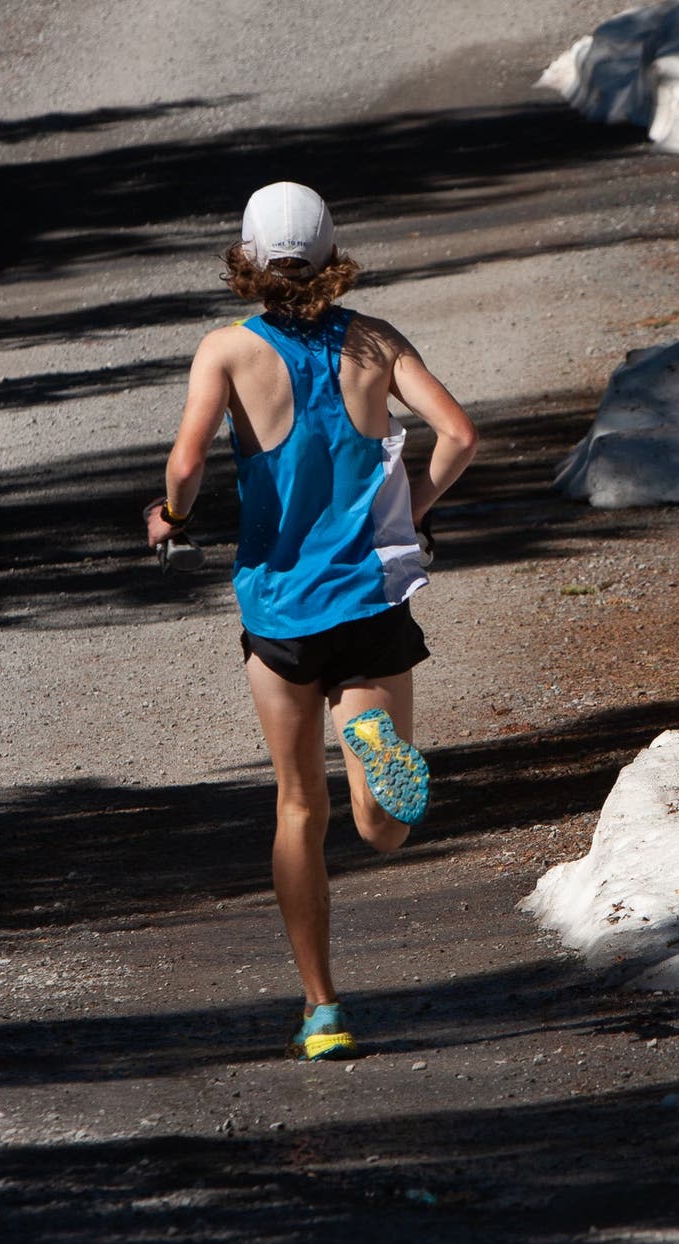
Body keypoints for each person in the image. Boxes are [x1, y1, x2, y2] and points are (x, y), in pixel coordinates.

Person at [147, 181, 479, 1060]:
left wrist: (172, 518)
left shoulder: (225, 351)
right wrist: (411, 500)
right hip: (370, 597)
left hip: (282, 610)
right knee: (384, 829)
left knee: (299, 809)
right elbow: (459, 433)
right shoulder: (374, 339)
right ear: (331, 253)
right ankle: (369, 742)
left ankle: (322, 1009)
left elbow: (186, 465)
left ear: (247, 258)